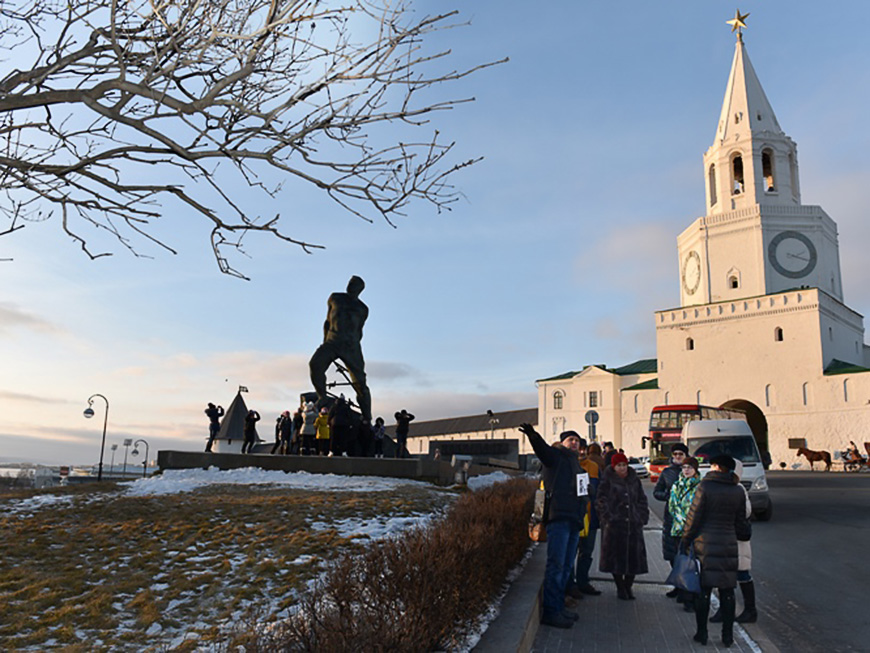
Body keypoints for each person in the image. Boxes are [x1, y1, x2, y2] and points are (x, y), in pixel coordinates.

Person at [518, 423, 586, 629]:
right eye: (570, 440)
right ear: (563, 442)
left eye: (577, 440)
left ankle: (559, 606)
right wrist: (533, 435)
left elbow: (584, 493)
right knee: (556, 566)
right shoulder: (555, 457)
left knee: (566, 567)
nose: (574, 443)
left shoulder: (578, 464)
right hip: (559, 519)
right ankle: (551, 611)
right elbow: (542, 450)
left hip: (574, 520)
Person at [682, 454, 752, 647]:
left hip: (705, 543)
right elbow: (741, 523)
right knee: (728, 591)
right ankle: (727, 636)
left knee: (704, 591)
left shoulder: (704, 487)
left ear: (716, 467)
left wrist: (686, 539)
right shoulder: (737, 490)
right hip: (728, 544)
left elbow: (693, 518)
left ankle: (702, 633)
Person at [309, 276, 372, 422]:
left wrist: (353, 345)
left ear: (360, 289)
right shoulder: (335, 298)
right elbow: (327, 321)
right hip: (332, 341)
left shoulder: (362, 309)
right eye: (350, 283)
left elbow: (359, 330)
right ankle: (322, 397)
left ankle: (367, 416)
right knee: (315, 365)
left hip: (351, 346)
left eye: (354, 284)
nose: (350, 286)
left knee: (360, 383)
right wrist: (325, 342)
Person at [596, 452, 649, 600]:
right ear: (613, 467)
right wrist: (608, 518)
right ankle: (620, 587)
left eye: (624, 465)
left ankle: (628, 586)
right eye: (619, 465)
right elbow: (601, 500)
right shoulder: (607, 480)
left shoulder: (634, 479)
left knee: (634, 559)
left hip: (633, 525)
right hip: (615, 526)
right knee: (616, 559)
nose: (622, 468)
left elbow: (641, 499)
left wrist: (641, 516)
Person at [710, 459, 757, 624]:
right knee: (724, 575)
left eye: (716, 466)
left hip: (736, 538)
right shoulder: (719, 487)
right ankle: (724, 610)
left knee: (742, 573)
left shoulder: (738, 488)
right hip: (724, 537)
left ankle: (750, 610)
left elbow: (747, 511)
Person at [653, 442, 690, 597]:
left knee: (685, 553)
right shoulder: (667, 472)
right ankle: (677, 584)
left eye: (680, 454)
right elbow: (657, 492)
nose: (677, 457)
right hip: (671, 517)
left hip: (687, 519)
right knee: (671, 552)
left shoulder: (690, 471)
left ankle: (686, 588)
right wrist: (669, 497)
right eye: (675, 454)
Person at [667, 455, 701, 610]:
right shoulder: (676, 485)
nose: (686, 470)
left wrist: (691, 524)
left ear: (695, 470)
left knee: (693, 565)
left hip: (695, 531)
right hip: (678, 530)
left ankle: (693, 596)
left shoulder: (700, 486)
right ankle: (684, 594)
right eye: (684, 467)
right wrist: (681, 521)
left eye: (690, 468)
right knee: (681, 562)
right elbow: (672, 506)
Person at [573, 438, 602, 596]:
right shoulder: (570, 466)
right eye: (579, 449)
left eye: (584, 449)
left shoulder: (594, 467)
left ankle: (583, 582)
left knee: (587, 552)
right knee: (570, 553)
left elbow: (601, 490)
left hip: (591, 518)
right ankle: (570, 585)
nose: (582, 452)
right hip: (574, 517)